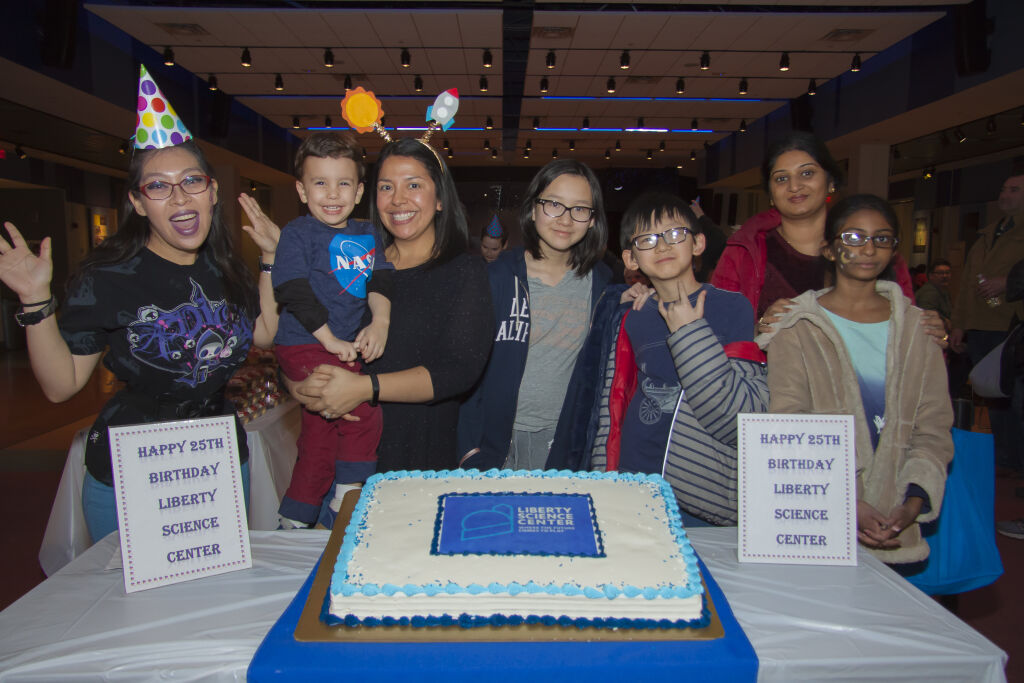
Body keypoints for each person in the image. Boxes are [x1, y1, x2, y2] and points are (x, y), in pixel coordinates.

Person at [0, 69, 280, 542]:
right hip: (134, 470)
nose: (179, 196)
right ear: (137, 202)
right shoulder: (109, 277)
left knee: (216, 604)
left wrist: (271, 261)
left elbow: (263, 334)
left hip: (217, 460)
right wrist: (35, 301)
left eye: (191, 181)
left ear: (211, 191)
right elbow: (61, 386)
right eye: (158, 186)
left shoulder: (227, 267)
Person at [758, 194, 952, 567]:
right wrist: (844, 499)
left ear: (893, 250)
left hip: (897, 513)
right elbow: (789, 424)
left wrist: (914, 501)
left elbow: (933, 427)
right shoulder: (796, 326)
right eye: (853, 238)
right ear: (829, 249)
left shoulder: (918, 329)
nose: (868, 249)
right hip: (818, 517)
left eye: (881, 239)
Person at [565, 192, 768, 526]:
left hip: (700, 494)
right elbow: (611, 403)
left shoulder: (732, 307)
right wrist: (604, 479)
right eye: (647, 240)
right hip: (633, 482)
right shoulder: (633, 313)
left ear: (699, 243)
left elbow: (738, 421)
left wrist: (689, 331)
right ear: (630, 259)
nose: (662, 246)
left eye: (674, 234)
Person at [291, 137, 493, 472]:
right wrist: (299, 385)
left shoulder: (464, 271)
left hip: (416, 455)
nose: (398, 200)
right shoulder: (352, 260)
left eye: (413, 185)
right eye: (386, 187)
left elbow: (458, 371)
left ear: (440, 198)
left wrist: (363, 387)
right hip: (334, 449)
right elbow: (297, 336)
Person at [456, 159, 612, 470]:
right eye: (554, 204)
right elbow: (465, 368)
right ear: (533, 209)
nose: (565, 219)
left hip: (559, 439)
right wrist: (469, 447)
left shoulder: (603, 285)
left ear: (593, 220)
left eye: (580, 209)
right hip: (493, 439)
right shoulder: (496, 278)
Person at [272, 132, 393, 528]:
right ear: (301, 190)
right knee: (362, 411)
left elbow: (381, 284)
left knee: (321, 438)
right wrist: (331, 342)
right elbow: (293, 290)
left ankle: (297, 515)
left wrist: (380, 321)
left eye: (343, 183)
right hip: (305, 342)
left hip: (338, 344)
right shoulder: (298, 233)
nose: (332, 193)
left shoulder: (369, 233)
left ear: (359, 191)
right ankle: (346, 498)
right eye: (319, 182)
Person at [710, 131, 915, 330]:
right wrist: (760, 327)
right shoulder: (745, 250)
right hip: (770, 362)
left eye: (807, 173)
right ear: (770, 193)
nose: (795, 186)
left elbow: (906, 324)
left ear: (830, 182)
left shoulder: (869, 247)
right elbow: (717, 328)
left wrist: (931, 331)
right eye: (781, 178)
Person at [950, 172, 1024, 475]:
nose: (1005, 194)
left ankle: (1016, 458)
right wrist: (959, 324)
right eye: (1004, 188)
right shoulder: (988, 234)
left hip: (1011, 327)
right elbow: (969, 283)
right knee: (992, 395)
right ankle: (1004, 456)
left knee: (1014, 399)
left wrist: (1007, 282)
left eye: (1014, 189)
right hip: (981, 325)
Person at [915, 259, 953, 329]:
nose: (944, 276)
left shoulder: (943, 291)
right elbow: (926, 313)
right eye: (940, 273)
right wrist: (945, 321)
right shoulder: (929, 292)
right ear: (931, 276)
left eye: (947, 273)